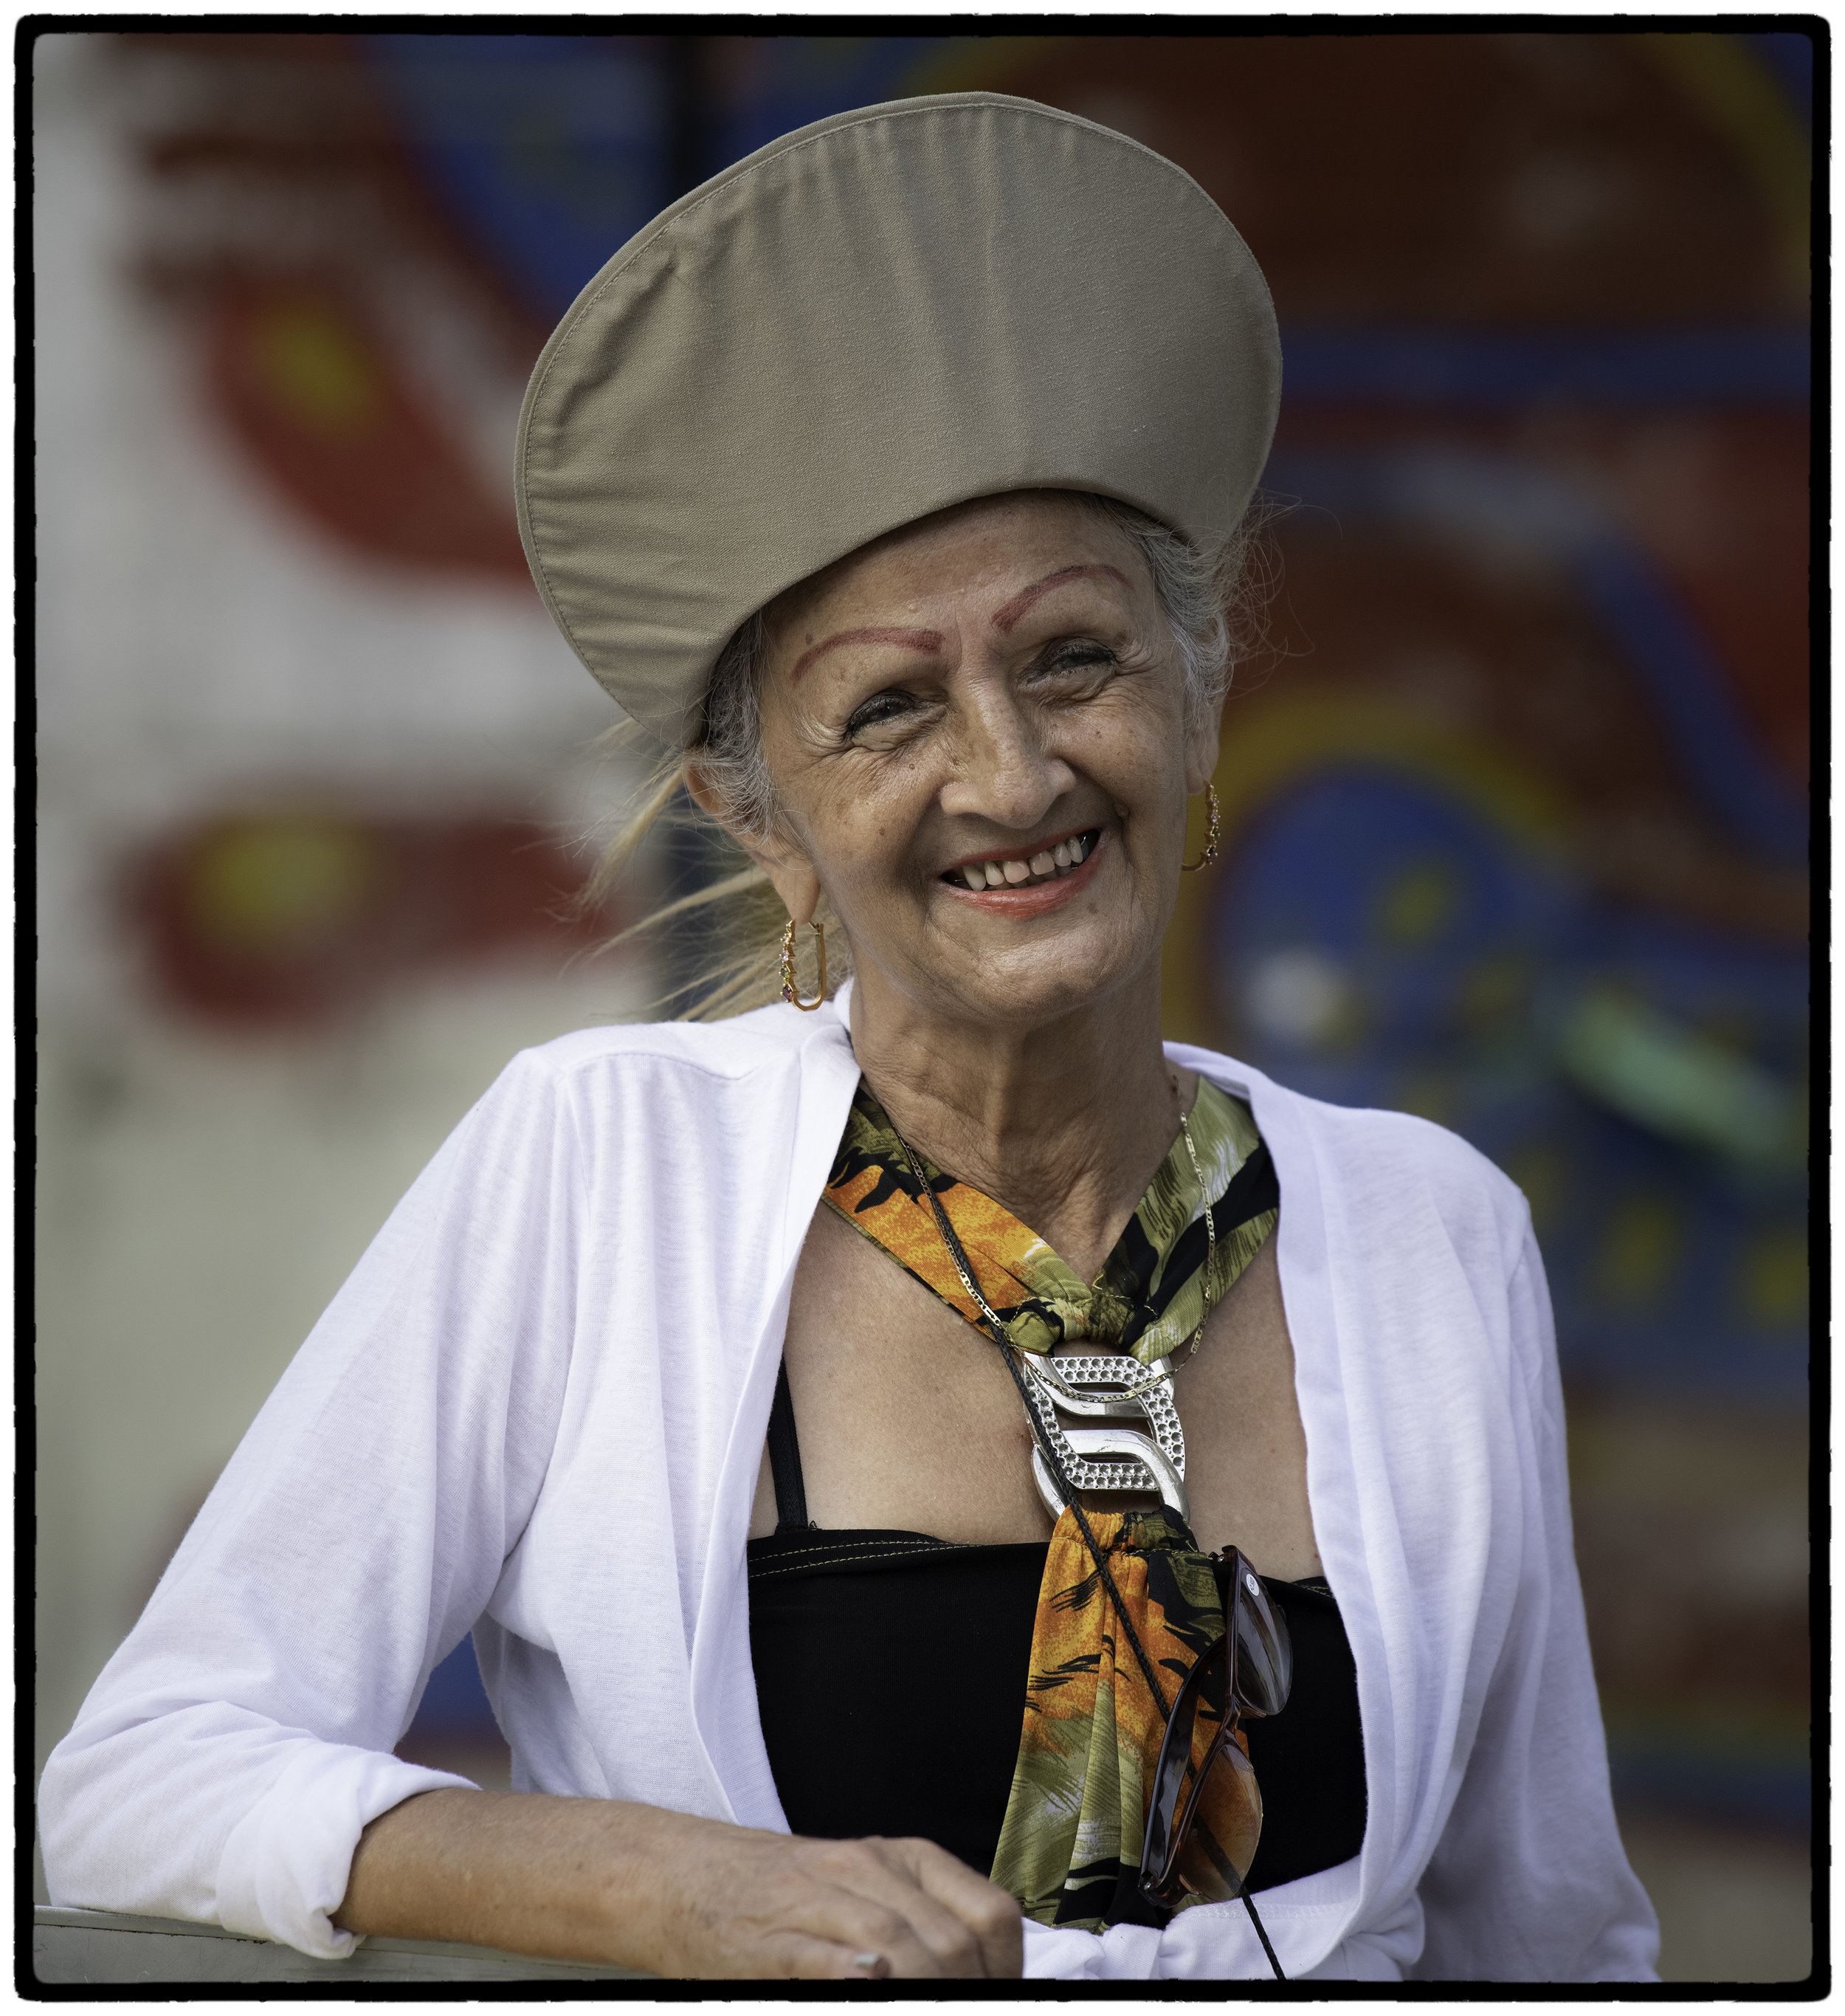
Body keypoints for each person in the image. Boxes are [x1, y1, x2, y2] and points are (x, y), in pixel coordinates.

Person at [39, 93, 1659, 1982]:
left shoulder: (1431, 1226)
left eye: (1073, 657)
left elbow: (1546, 1935)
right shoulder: (601, 1167)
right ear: (760, 821)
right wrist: (651, 1885)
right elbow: (141, 1774)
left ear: (1197, 693)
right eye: (887, 710)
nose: (1012, 771)